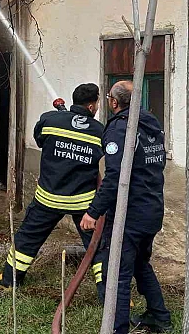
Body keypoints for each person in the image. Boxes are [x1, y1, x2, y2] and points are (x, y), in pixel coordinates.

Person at [80, 80, 171, 333]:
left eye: (108, 97)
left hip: (130, 215)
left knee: (116, 274)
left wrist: (92, 212)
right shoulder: (151, 124)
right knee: (141, 264)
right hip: (152, 209)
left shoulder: (122, 129)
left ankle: (117, 328)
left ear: (113, 102)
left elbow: (115, 177)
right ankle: (158, 315)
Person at [0, 83, 105, 293]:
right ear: (92, 106)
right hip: (82, 202)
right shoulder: (100, 131)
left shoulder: (49, 120)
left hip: (48, 197)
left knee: (28, 238)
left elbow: (40, 141)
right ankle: (109, 293)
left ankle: (9, 279)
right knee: (98, 245)